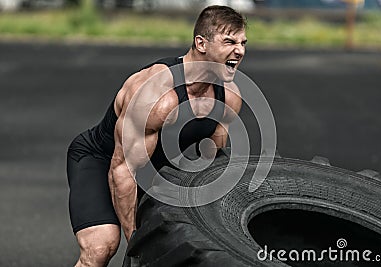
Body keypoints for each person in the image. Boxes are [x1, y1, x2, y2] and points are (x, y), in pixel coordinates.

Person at [67, 5, 247, 267]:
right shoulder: (156, 96)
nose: (239, 51)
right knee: (101, 246)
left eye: (243, 43)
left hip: (157, 169)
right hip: (102, 160)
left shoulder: (229, 97)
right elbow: (122, 172)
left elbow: (212, 161)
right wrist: (136, 245)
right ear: (201, 43)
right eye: (229, 41)